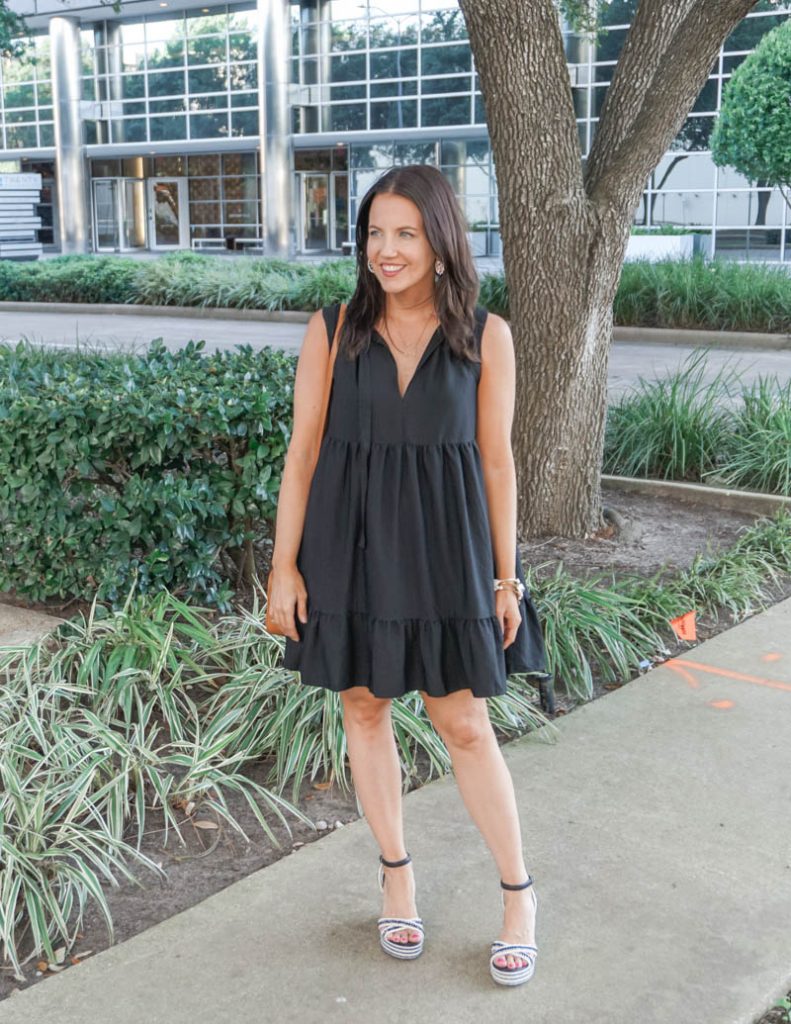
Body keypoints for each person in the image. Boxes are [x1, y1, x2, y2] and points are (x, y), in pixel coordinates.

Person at [267, 164, 548, 987]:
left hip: (447, 549)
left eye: (405, 234)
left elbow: (497, 465)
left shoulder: (484, 335)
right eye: (373, 234)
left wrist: (506, 579)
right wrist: (283, 565)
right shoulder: (332, 327)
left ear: (439, 240)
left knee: (461, 723)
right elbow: (303, 454)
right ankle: (396, 878)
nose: (385, 251)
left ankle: (518, 894)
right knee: (363, 706)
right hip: (346, 547)